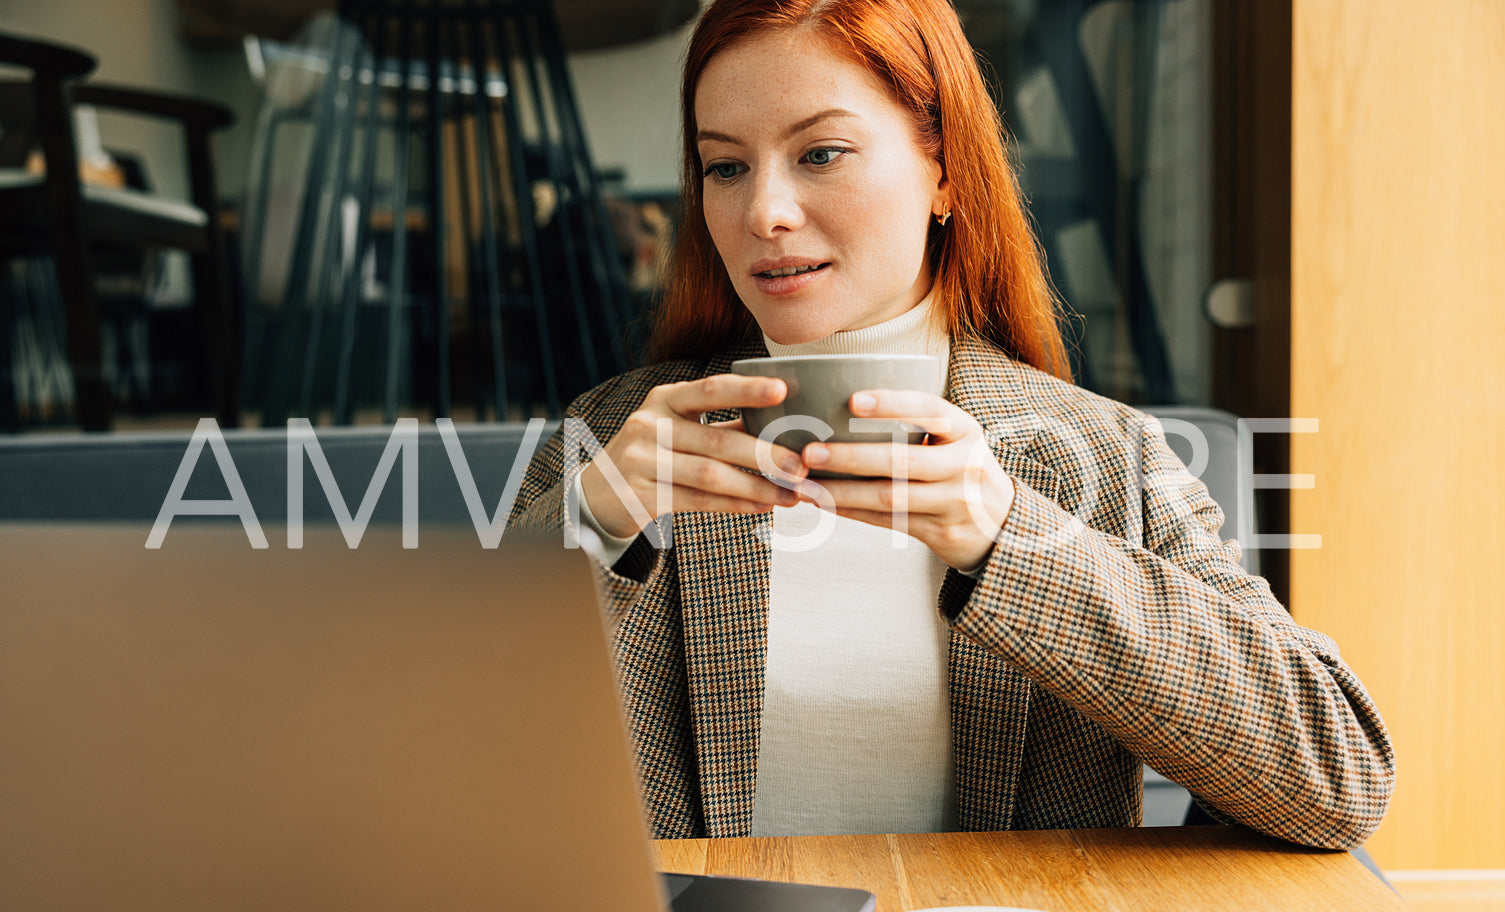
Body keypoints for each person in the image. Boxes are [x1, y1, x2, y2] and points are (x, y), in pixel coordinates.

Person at [510, 0, 1393, 849]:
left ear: (943, 172)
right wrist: (590, 525)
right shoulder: (615, 433)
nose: (763, 214)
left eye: (820, 153)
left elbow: (1336, 780)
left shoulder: (1102, 454)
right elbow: (442, 769)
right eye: (725, 166)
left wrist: (1012, 543)